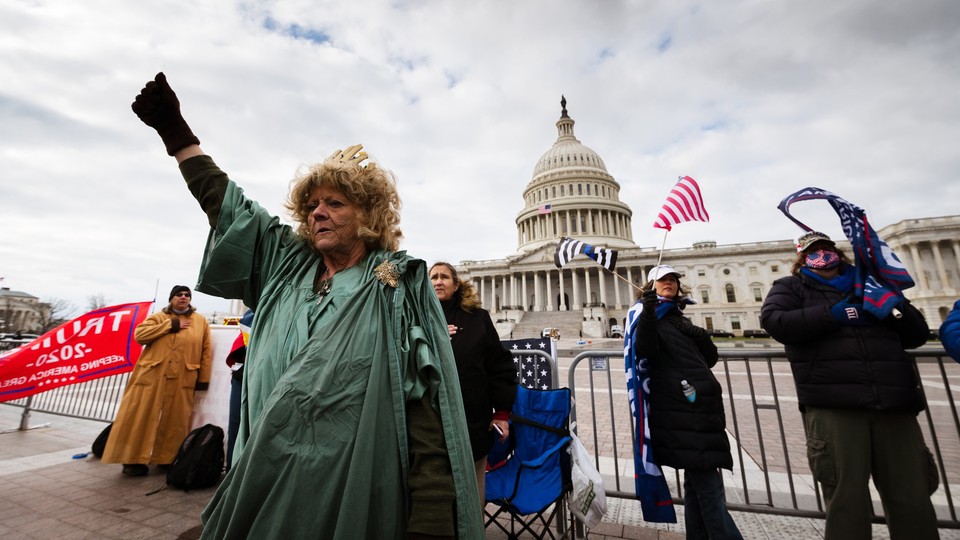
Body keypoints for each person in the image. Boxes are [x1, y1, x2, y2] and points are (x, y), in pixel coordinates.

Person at [130, 72, 482, 539]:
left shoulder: (396, 284)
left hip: (351, 496)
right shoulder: (286, 266)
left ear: (369, 217)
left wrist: (431, 520)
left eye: (335, 203)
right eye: (312, 204)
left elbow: (426, 410)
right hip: (264, 480)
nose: (318, 212)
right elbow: (229, 207)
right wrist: (176, 134)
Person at [761, 231, 939, 540]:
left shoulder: (873, 285)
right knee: (847, 499)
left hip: (893, 402)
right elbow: (776, 322)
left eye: (826, 249)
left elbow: (917, 335)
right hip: (835, 404)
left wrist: (895, 306)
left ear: (838, 253)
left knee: (912, 496)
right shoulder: (791, 287)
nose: (822, 255)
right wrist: (832, 315)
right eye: (813, 251)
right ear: (802, 258)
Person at [629, 264, 743, 540]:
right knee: (708, 487)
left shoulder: (679, 319)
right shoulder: (649, 317)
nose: (668, 283)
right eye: (661, 280)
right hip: (684, 411)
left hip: (700, 409)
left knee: (698, 485)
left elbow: (709, 359)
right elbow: (644, 350)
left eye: (672, 279)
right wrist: (647, 312)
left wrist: (699, 335)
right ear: (650, 286)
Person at [429, 262, 517, 506]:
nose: (438, 281)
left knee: (471, 495)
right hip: (429, 422)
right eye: (433, 277)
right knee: (433, 497)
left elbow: (499, 366)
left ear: (457, 285)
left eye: (444, 277)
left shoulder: (477, 319)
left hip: (472, 420)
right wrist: (431, 336)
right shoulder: (419, 319)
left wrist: (501, 412)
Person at [102, 285, 212, 476]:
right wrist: (170, 326)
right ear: (171, 298)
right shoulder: (158, 318)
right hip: (152, 376)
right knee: (139, 417)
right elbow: (140, 336)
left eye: (187, 295)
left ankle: (167, 458)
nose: (184, 297)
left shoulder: (200, 322)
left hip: (182, 377)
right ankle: (131, 460)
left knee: (176, 420)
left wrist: (203, 379)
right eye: (179, 294)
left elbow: (206, 351)